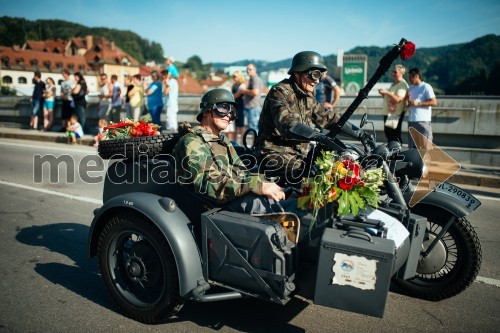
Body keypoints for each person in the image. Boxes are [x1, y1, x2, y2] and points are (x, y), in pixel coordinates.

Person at [254, 51, 372, 184]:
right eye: (314, 75)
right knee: (313, 175)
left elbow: (329, 118)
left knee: (340, 166)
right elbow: (287, 124)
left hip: (300, 153)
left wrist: (360, 134)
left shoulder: (307, 96)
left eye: (320, 76)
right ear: (298, 73)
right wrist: (317, 135)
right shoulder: (280, 92)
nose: (317, 81)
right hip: (274, 152)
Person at [173, 88, 286, 214]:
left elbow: (241, 172)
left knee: (284, 196)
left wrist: (264, 182)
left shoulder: (222, 140)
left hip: (229, 199)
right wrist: (254, 185)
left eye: (232, 111)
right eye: (223, 108)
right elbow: (208, 184)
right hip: (209, 207)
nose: (228, 115)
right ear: (206, 111)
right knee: (262, 205)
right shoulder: (192, 142)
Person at [406, 68, 438, 149]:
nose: (409, 79)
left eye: (410, 77)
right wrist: (407, 103)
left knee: (425, 146)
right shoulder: (410, 88)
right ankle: (415, 161)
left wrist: (419, 103)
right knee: (412, 146)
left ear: (417, 76)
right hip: (411, 120)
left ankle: (425, 161)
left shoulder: (426, 87)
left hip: (423, 120)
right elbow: (408, 102)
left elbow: (434, 102)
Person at [378, 64, 409, 143]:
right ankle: (393, 154)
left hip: (395, 114)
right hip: (389, 113)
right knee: (389, 134)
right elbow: (390, 98)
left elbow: (398, 99)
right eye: (393, 72)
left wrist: (386, 92)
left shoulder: (402, 84)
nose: (393, 74)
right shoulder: (394, 84)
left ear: (402, 73)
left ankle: (396, 153)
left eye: (395, 72)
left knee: (394, 136)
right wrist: (384, 94)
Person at [241, 63, 263, 132]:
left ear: (255, 70)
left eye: (250, 69)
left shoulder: (255, 79)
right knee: (252, 129)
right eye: (247, 69)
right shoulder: (251, 79)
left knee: (254, 129)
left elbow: (255, 92)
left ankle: (256, 143)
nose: (248, 71)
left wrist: (244, 91)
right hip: (250, 108)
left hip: (253, 108)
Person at [231, 71, 246, 143]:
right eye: (233, 76)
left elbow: (236, 95)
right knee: (236, 125)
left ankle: (243, 142)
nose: (234, 78)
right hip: (235, 105)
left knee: (241, 125)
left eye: (235, 76)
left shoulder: (242, 85)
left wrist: (230, 97)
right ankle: (235, 142)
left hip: (240, 105)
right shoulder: (234, 85)